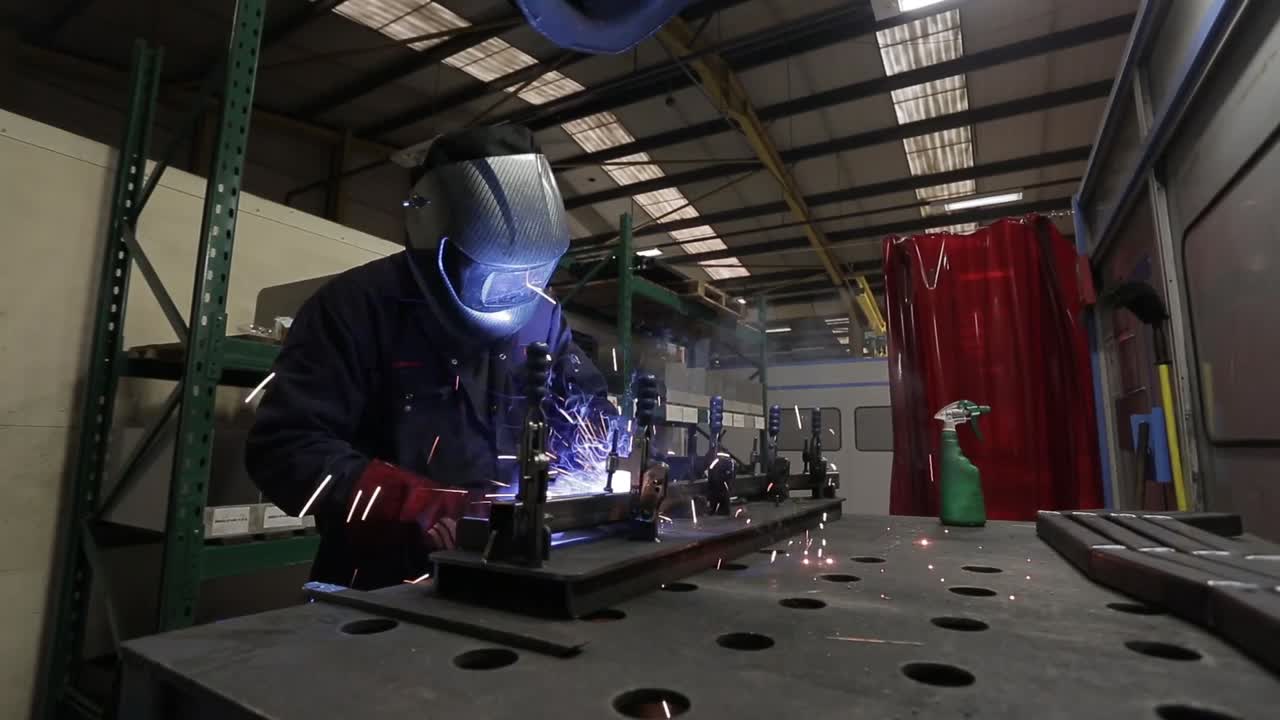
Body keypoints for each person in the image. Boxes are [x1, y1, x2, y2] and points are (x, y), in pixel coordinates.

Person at [245, 126, 613, 590]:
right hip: (380, 587)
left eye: (531, 274)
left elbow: (587, 417)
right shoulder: (356, 306)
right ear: (435, 237)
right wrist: (417, 504)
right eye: (492, 273)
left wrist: (629, 463)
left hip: (515, 576)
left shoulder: (543, 318)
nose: (514, 291)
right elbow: (284, 449)